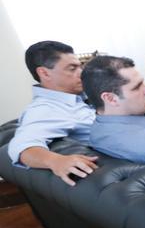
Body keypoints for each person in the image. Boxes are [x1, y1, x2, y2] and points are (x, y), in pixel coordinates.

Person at [8, 41, 98, 186]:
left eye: (80, 66)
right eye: (72, 68)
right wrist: (55, 161)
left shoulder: (82, 94)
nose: (81, 73)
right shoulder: (45, 110)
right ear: (44, 73)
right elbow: (22, 147)